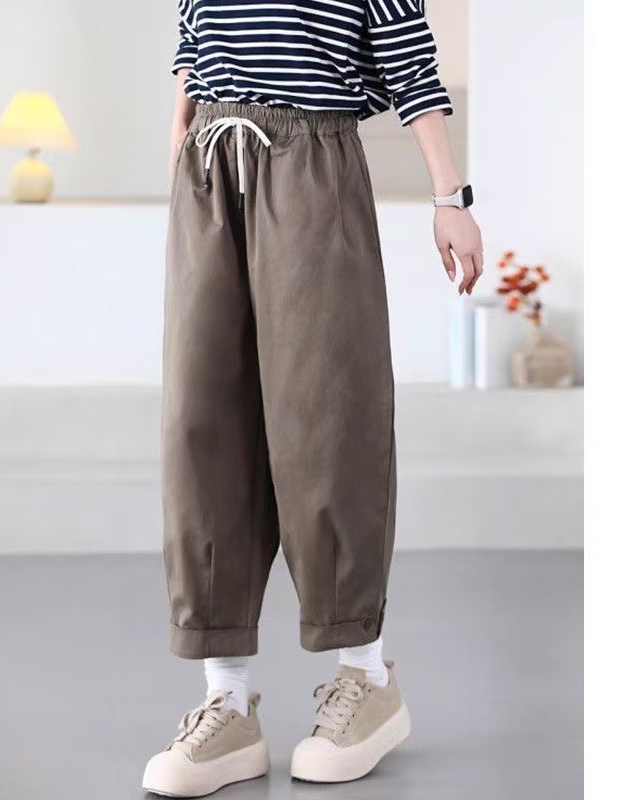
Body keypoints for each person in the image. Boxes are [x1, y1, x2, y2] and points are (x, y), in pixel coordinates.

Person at [143, 0, 483, 795]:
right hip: (208, 168)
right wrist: (181, 133)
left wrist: (451, 199)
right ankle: (226, 703)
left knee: (327, 417)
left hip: (312, 160)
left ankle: (365, 677)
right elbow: (193, 41)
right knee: (202, 423)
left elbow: (409, 58)